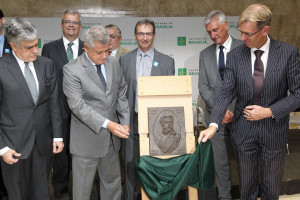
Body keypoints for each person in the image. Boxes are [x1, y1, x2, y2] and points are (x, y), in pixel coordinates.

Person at [198, 4, 300, 200]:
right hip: (243, 131)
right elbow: (225, 92)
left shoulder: (288, 53)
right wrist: (213, 124)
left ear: (265, 30)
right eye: (241, 32)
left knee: (271, 188)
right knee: (247, 188)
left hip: (274, 131)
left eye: (248, 34)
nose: (243, 38)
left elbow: (297, 95)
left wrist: (269, 111)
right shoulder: (235, 56)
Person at [63, 25, 130, 200]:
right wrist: (109, 124)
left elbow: (121, 92)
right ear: (86, 48)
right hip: (86, 141)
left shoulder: (114, 63)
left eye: (107, 51)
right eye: (99, 52)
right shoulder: (72, 69)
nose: (104, 56)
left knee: (113, 187)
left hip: (111, 140)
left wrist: (125, 121)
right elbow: (78, 106)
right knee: (82, 191)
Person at [0, 18, 64, 200]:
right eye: (29, 47)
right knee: (17, 194)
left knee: (43, 193)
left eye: (36, 44)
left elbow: (53, 102)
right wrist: (2, 147)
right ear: (13, 45)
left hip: (43, 143)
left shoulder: (46, 64)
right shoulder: (2, 68)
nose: (36, 50)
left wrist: (57, 135)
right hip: (12, 146)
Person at [119, 19, 175, 200]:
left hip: (157, 125)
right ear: (135, 35)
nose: (144, 37)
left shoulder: (167, 62)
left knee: (155, 168)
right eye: (141, 33)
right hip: (130, 122)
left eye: (148, 33)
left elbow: (170, 97)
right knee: (129, 167)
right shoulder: (124, 60)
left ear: (154, 35)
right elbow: (120, 93)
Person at [198, 10, 243, 199]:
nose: (212, 35)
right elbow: (203, 87)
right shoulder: (205, 54)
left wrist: (231, 110)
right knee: (221, 163)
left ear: (226, 26)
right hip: (214, 118)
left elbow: (249, 84)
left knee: (245, 161)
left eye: (215, 30)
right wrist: (220, 110)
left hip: (242, 115)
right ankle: (225, 197)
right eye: (209, 32)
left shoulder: (244, 48)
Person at [41, 9, 84, 199]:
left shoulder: (88, 47)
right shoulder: (49, 48)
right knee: (60, 154)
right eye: (68, 21)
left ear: (80, 26)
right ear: (61, 24)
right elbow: (45, 81)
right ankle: (60, 189)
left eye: (75, 22)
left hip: (84, 111)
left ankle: (83, 188)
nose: (71, 25)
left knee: (83, 153)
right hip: (58, 110)